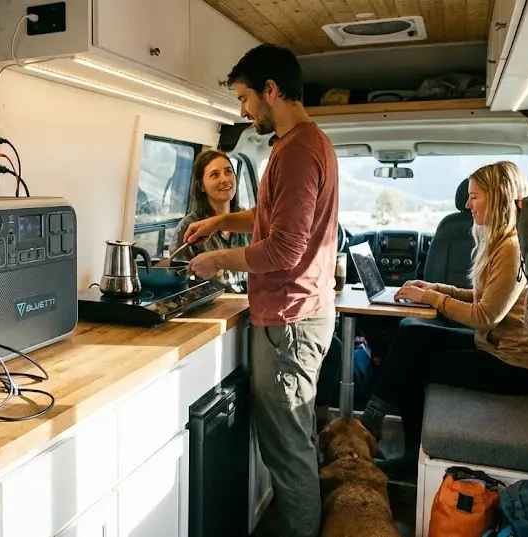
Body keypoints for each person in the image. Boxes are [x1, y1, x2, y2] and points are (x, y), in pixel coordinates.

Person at [185, 44, 339, 537]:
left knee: (288, 454)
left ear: (271, 91)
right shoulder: (303, 144)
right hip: (302, 312)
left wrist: (214, 259)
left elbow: (284, 251)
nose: (243, 110)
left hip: (290, 320)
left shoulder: (296, 152)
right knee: (295, 443)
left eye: (245, 98)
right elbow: (271, 218)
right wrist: (220, 220)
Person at [359, 161, 528, 477]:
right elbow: (482, 298)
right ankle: (373, 415)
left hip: (518, 367)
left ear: (498, 197)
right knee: (411, 330)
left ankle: (404, 455)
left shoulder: (512, 247)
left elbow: (485, 315)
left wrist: (434, 299)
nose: (466, 204)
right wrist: (434, 287)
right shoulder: (498, 241)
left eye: (475, 196)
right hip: (494, 347)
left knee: (420, 368)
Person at [169, 149, 250, 293]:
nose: (225, 179)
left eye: (228, 171)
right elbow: (179, 280)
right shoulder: (189, 227)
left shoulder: (246, 219)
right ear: (201, 186)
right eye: (215, 175)